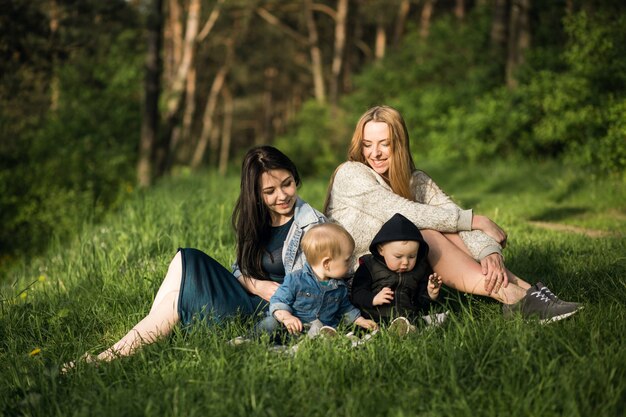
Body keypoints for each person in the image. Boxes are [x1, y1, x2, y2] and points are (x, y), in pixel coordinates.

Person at [65, 145, 326, 367]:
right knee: (186, 258)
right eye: (269, 191)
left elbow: (312, 295)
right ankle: (139, 341)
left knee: (176, 297)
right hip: (247, 294)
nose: (282, 196)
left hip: (267, 315)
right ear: (255, 194)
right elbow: (239, 269)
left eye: (287, 184)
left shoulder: (313, 226)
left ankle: (107, 358)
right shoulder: (256, 219)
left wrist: (274, 294)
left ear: (295, 178)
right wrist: (257, 284)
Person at [324, 105, 582, 323]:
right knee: (423, 232)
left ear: (399, 145)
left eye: (384, 144)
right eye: (368, 144)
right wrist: (476, 220)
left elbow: (452, 215)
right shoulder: (351, 173)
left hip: (405, 279)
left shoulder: (417, 181)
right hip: (363, 286)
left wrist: (488, 252)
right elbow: (402, 212)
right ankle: (511, 297)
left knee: (442, 225)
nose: (374, 153)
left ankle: (531, 295)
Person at [252, 223, 378, 340]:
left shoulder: (339, 287)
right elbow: (278, 301)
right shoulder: (296, 280)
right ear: (327, 263)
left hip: (320, 330)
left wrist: (360, 320)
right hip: (290, 328)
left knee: (320, 327)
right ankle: (248, 339)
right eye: (347, 260)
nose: (351, 263)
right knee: (269, 323)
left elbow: (345, 309)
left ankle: (305, 345)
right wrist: (287, 317)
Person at [351, 213, 442, 329]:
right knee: (363, 328)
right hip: (374, 316)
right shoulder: (370, 266)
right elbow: (357, 293)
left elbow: (420, 302)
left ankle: (406, 329)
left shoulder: (420, 270)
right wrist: (373, 298)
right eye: (398, 257)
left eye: (412, 256)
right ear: (381, 250)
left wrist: (430, 294)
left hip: (406, 316)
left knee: (418, 323)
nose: (405, 262)